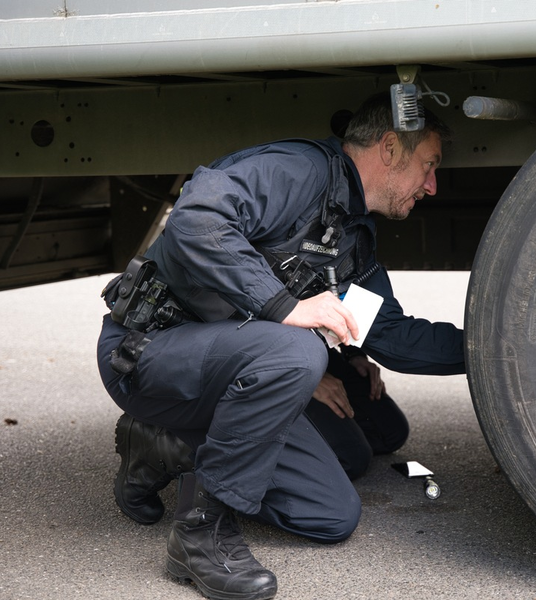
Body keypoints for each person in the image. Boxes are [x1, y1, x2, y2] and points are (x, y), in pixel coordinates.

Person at [96, 92, 464, 600]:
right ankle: (200, 535)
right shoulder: (300, 171)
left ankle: (170, 446)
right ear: (389, 148)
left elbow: (394, 336)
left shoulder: (354, 232)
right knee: (299, 354)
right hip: (150, 353)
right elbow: (196, 218)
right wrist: (284, 308)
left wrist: (494, 352)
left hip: (228, 366)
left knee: (336, 508)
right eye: (429, 164)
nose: (432, 185)